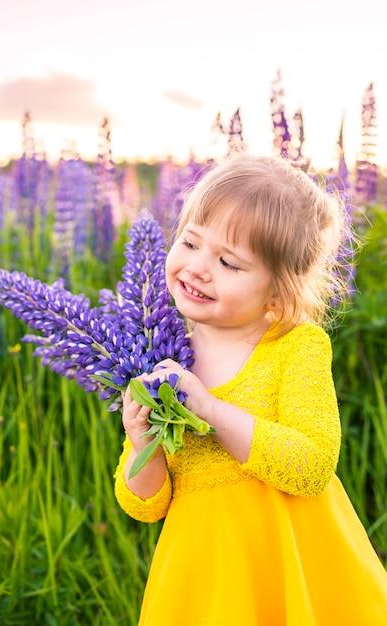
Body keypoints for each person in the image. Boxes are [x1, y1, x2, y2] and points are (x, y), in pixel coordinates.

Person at [114, 154, 387, 625]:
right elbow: (144, 504)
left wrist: (211, 410)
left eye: (228, 262)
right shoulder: (163, 350)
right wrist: (144, 445)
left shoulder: (293, 347)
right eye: (190, 242)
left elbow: (312, 467)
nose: (198, 267)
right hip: (204, 575)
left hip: (292, 561)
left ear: (279, 291)